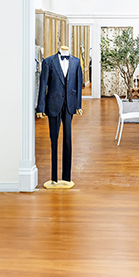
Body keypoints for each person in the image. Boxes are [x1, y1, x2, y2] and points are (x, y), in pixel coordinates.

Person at [37, 45, 83, 190]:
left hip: (69, 105)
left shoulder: (76, 62)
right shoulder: (48, 62)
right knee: (53, 139)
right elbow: (43, 85)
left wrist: (78, 105)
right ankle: (54, 177)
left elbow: (78, 84)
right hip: (53, 104)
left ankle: (67, 177)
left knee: (68, 139)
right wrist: (40, 107)